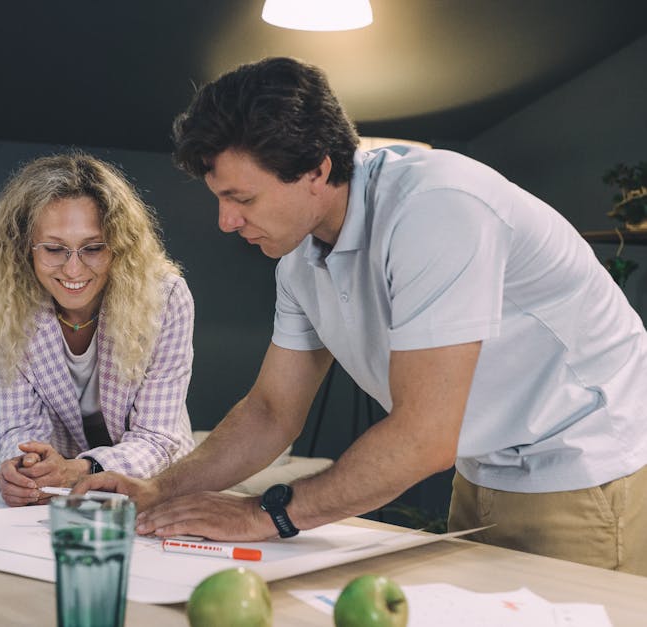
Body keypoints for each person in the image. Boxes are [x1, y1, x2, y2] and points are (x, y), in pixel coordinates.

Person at [75, 57, 647, 575]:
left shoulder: (438, 208)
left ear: (316, 172)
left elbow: (423, 437)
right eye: (219, 197)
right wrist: (159, 489)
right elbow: (272, 411)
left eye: (242, 199)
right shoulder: (297, 253)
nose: (226, 221)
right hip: (483, 469)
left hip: (587, 471)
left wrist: (260, 514)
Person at [0, 152, 195, 507]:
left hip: (152, 488)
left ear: (118, 245)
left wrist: (80, 469)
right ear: (24, 248)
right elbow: (18, 427)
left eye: (92, 248)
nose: (73, 269)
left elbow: (158, 438)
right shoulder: (7, 304)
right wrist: (26, 469)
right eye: (55, 249)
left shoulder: (165, 299)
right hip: (58, 495)